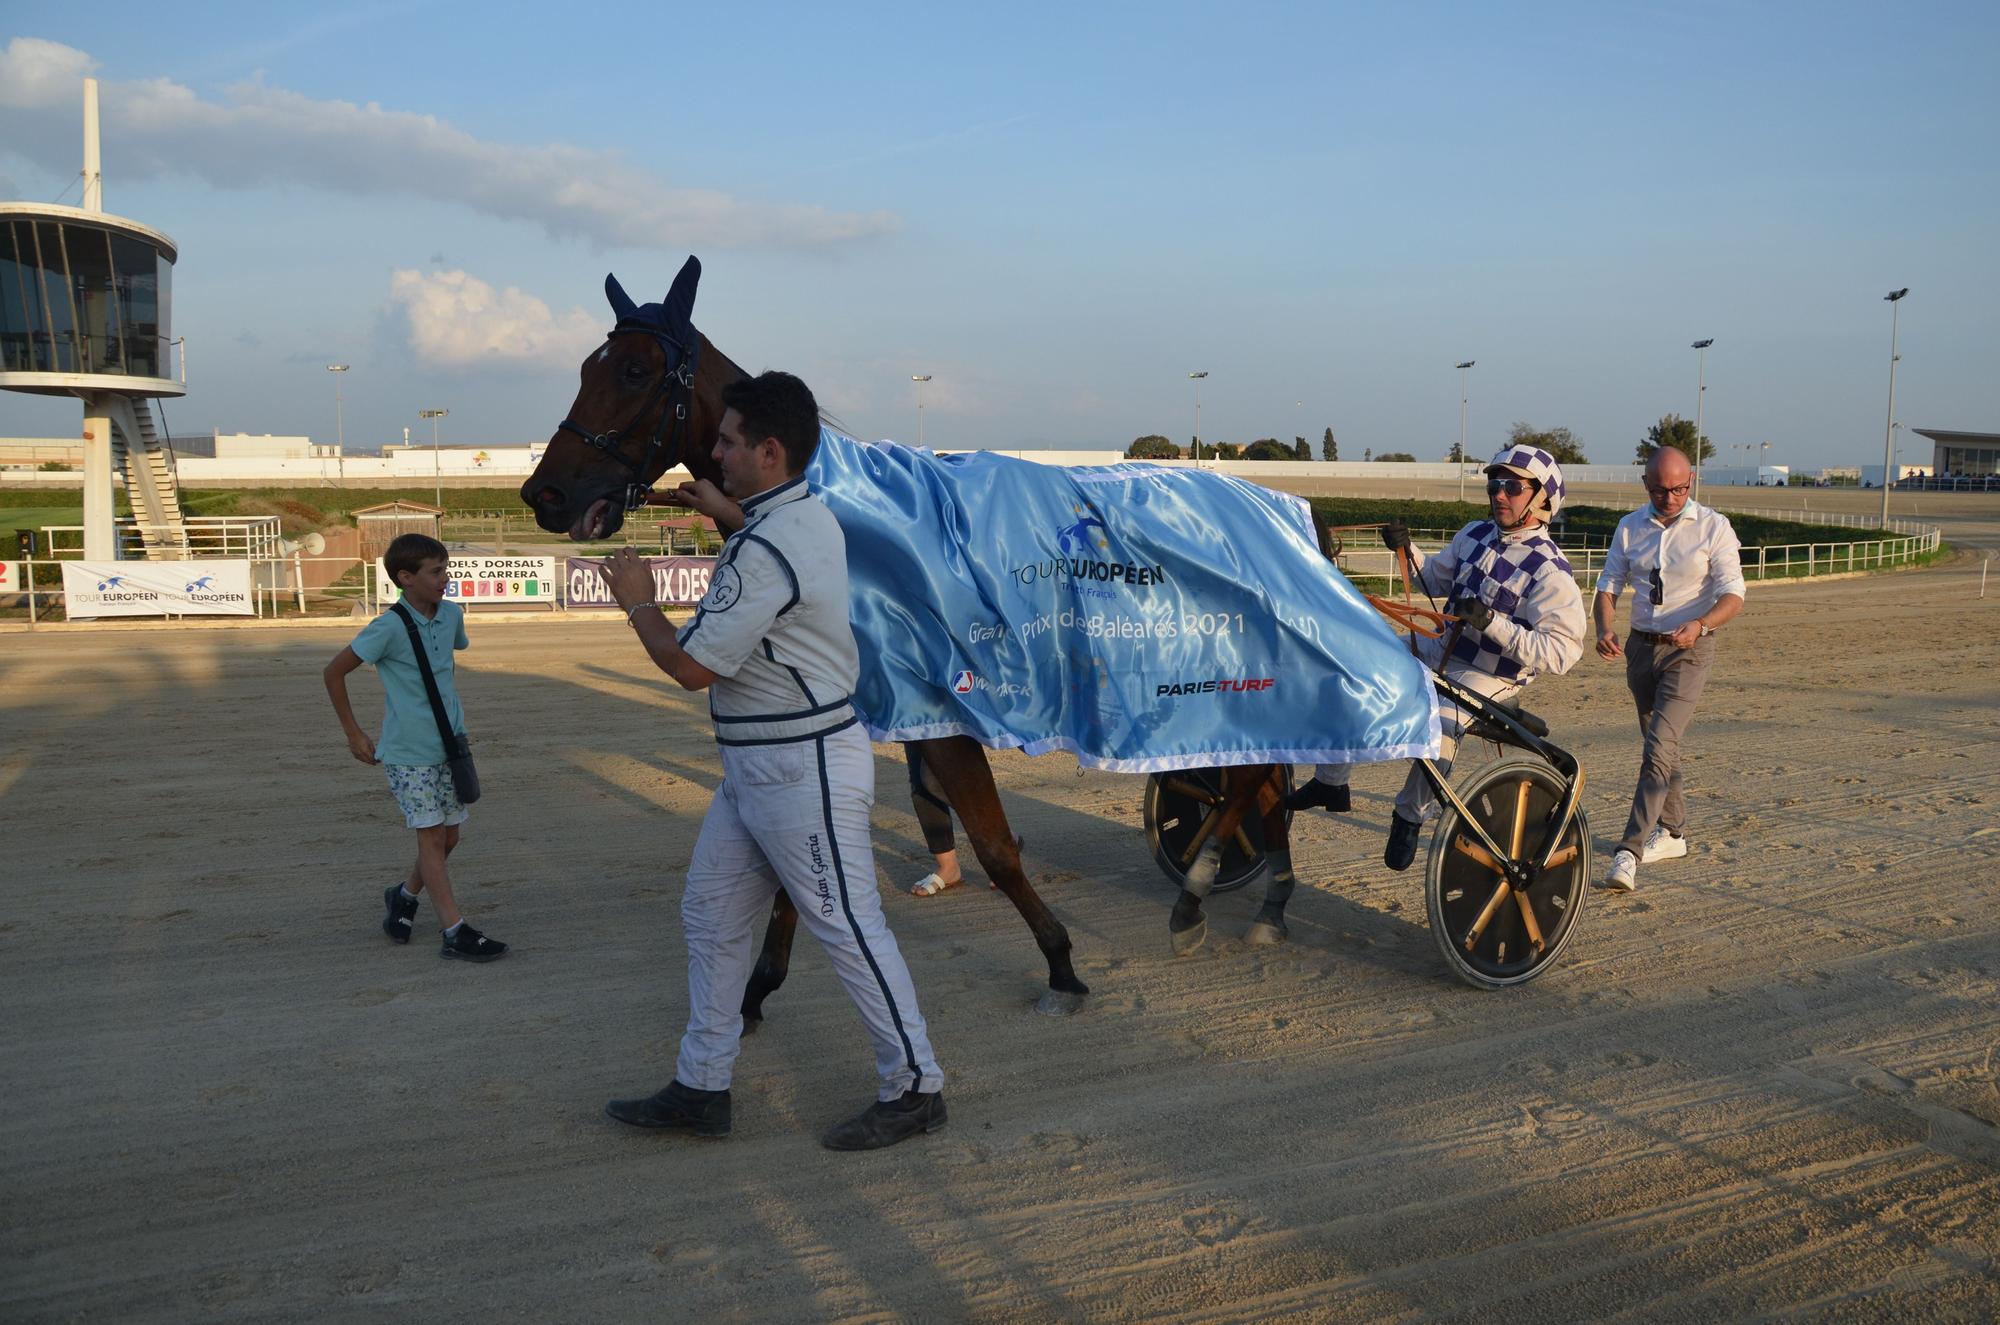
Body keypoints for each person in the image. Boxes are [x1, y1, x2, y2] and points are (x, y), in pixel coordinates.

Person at [597, 370, 947, 1151]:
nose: (712, 455)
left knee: (848, 925)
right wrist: (727, 514)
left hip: (800, 769)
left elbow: (692, 669)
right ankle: (702, 1084)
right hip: (768, 765)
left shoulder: (767, 548)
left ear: (770, 449)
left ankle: (917, 1084)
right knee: (711, 916)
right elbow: (765, 547)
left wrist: (636, 599)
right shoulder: (799, 516)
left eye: (727, 442)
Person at [1290, 446, 1586, 872]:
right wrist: (1406, 550)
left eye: (1512, 487)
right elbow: (1431, 578)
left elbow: (1561, 654)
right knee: (1357, 664)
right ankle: (1331, 782)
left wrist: (1491, 623)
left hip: (1491, 673)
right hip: (1436, 647)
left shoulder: (1551, 571)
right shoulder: (1474, 534)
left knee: (1442, 719)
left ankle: (1409, 816)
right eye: (1495, 485)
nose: (1499, 494)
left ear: (1542, 499)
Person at [323, 532, 507, 962]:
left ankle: (404, 895)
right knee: (431, 837)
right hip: (408, 753)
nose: (446, 577)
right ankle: (454, 930)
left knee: (450, 837)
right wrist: (354, 733)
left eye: (446, 568)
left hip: (450, 746)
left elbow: (451, 655)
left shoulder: (452, 616)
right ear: (405, 578)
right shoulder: (386, 628)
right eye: (436, 571)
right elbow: (333, 672)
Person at [1592, 445, 1746, 892]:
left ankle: (1629, 851)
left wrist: (1700, 624)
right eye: (1660, 490)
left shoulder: (1714, 528)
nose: (1670, 498)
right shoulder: (1629, 527)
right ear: (1646, 486)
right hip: (1641, 650)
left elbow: (1734, 596)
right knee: (1661, 746)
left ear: (1691, 480)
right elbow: (1608, 588)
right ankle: (1674, 833)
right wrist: (1604, 628)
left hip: (1690, 652)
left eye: (1679, 489)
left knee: (1658, 747)